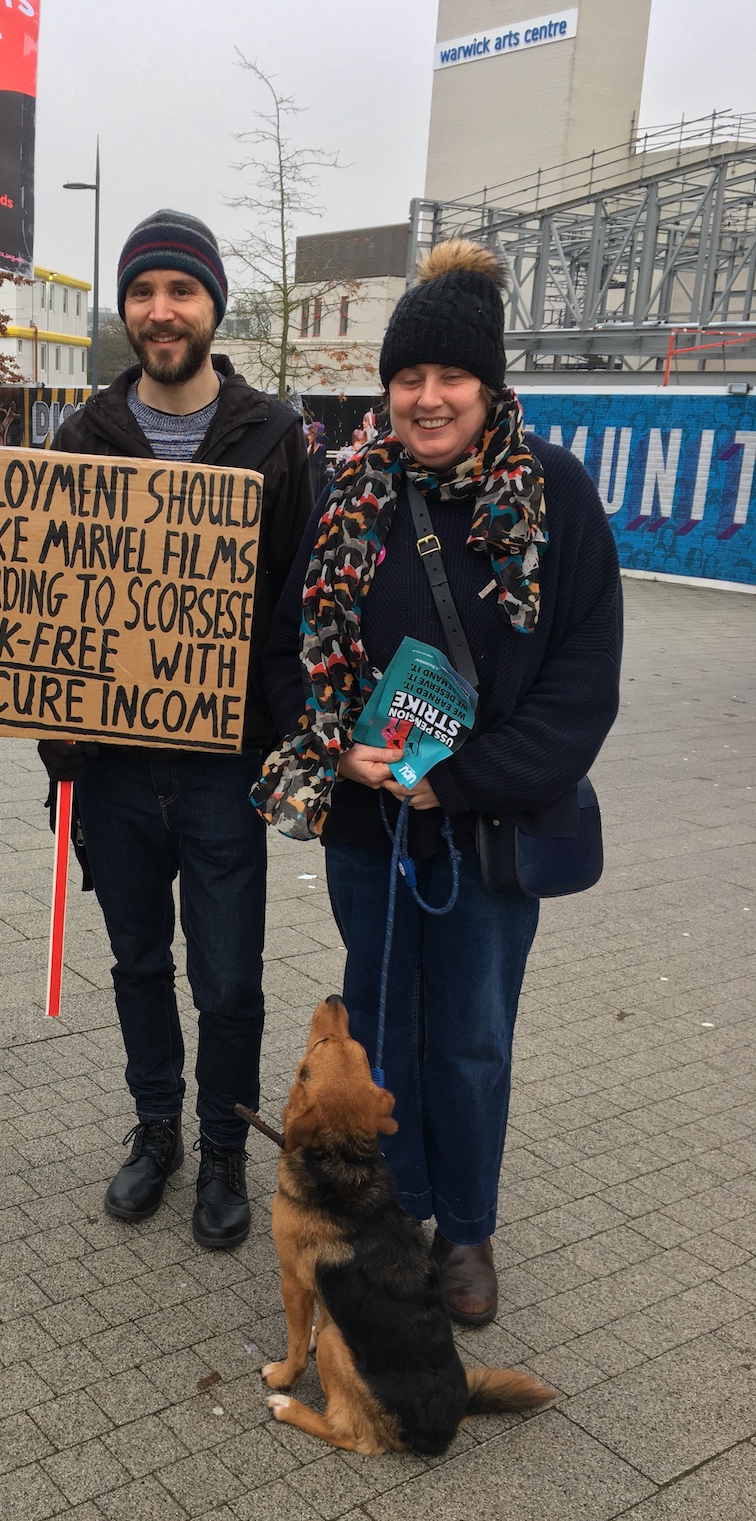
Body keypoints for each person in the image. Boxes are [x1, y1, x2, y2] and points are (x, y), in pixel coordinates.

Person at [257, 239, 622, 1322]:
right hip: (369, 828)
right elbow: (286, 648)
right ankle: (395, 1210)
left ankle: (465, 1226)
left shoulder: (556, 493)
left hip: (486, 829)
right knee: (381, 1027)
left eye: (451, 376)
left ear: (489, 386)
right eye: (408, 377)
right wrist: (338, 746)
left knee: (469, 1038)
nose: (427, 398)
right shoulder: (347, 488)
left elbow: (582, 684)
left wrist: (455, 781)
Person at [40, 210, 314, 1249]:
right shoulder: (80, 438)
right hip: (111, 768)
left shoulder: (274, 438)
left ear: (213, 308)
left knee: (230, 977)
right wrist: (55, 736)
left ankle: (226, 1146)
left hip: (224, 769)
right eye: (144, 292)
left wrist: (293, 742)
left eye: (181, 291)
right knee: (138, 962)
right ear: (127, 309)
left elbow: (297, 606)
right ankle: (157, 1129)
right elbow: (44, 610)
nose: (161, 311)